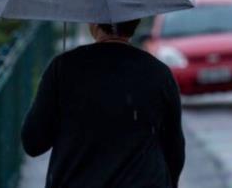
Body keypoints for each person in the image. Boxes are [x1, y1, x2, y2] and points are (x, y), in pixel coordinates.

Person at [21, 19, 185, 188]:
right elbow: (174, 149)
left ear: (94, 24)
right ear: (135, 24)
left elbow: (33, 143)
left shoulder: (63, 68)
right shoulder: (159, 73)